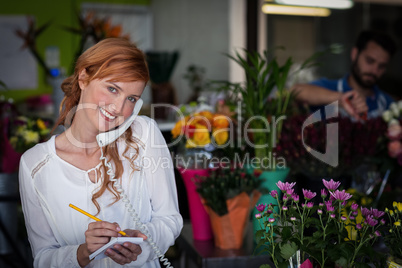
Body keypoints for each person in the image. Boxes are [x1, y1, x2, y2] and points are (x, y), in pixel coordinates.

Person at [19, 38, 183, 267]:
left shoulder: (143, 133)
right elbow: (43, 257)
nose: (118, 108)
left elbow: (170, 219)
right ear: (84, 78)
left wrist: (142, 244)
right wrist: (83, 253)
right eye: (112, 88)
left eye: (131, 99)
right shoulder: (35, 164)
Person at [291, 30, 397, 120]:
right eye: (369, 61)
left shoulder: (388, 105)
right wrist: (340, 99)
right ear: (355, 54)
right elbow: (294, 91)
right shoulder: (329, 88)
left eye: (381, 66)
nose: (374, 70)